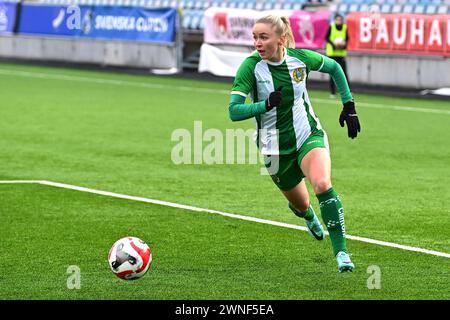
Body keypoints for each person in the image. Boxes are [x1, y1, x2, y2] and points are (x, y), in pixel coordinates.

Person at [228, 15, 361, 272]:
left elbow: (334, 67)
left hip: (307, 135)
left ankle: (342, 252)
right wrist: (264, 105)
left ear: (280, 38)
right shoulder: (250, 67)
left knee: (322, 184)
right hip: (273, 149)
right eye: (255, 37)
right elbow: (234, 111)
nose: (257, 43)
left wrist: (349, 105)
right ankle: (308, 216)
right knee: (301, 205)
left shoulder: (300, 59)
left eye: (263, 37)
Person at [325, 14, 350, 98]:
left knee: (344, 73)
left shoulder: (344, 28)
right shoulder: (331, 27)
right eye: (337, 20)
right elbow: (326, 38)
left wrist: (343, 45)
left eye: (340, 20)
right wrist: (333, 45)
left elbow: (347, 39)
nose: (339, 21)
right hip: (332, 54)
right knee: (332, 73)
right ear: (334, 20)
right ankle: (333, 92)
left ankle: (346, 91)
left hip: (341, 54)